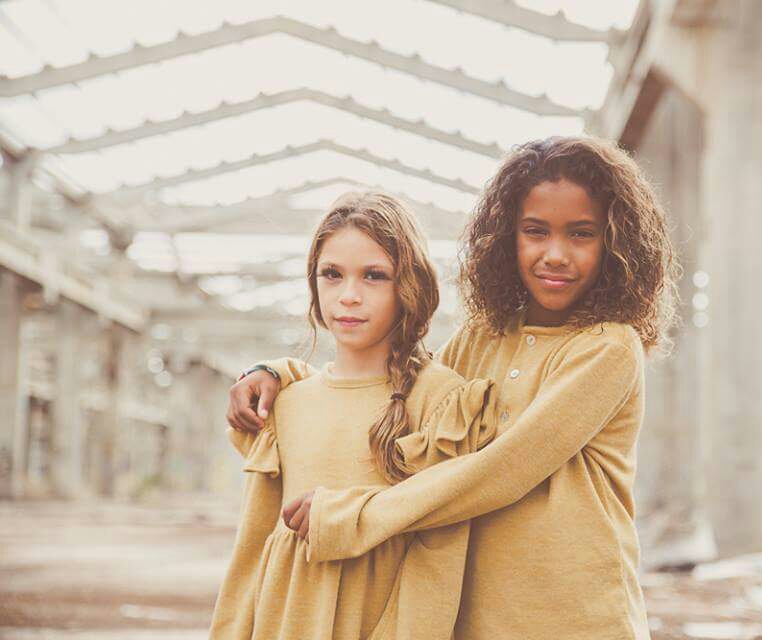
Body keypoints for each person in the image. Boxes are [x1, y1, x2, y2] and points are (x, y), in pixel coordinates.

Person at [229, 136, 681, 640]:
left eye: (581, 234)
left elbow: (504, 469)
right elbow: (395, 387)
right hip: (475, 618)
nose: (556, 254)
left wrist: (354, 515)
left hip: (578, 617)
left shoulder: (607, 348)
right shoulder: (482, 337)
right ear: (507, 237)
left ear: (616, 244)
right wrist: (281, 373)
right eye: (535, 231)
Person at [210, 191, 497, 640]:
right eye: (332, 274)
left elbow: (438, 559)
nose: (348, 296)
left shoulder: (442, 403)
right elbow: (252, 551)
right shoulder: (286, 404)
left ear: (410, 285)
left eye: (374, 276)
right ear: (314, 282)